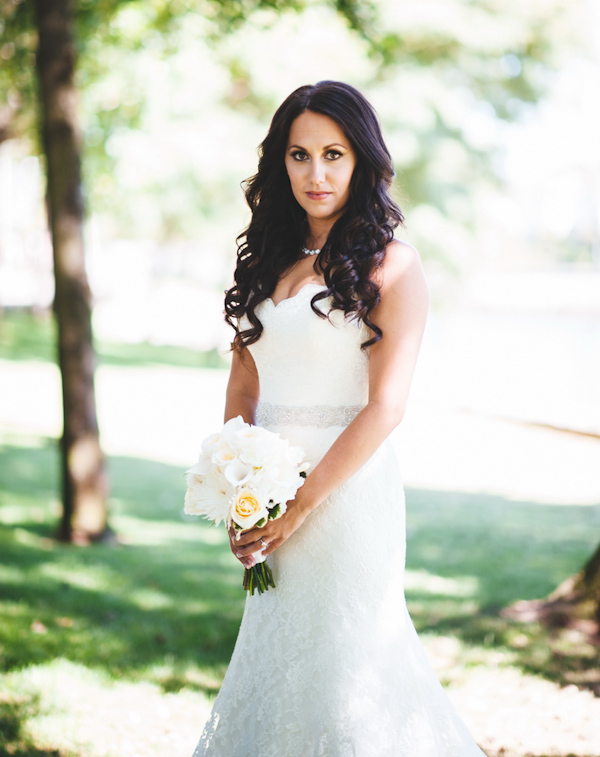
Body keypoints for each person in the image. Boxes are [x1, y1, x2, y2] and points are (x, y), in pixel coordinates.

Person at [192, 81, 487, 756]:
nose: (316, 173)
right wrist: (241, 492)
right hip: (266, 493)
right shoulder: (267, 263)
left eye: (333, 154)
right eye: (299, 155)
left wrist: (297, 507)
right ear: (280, 164)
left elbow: (386, 406)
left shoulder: (393, 265)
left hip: (347, 497)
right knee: (278, 666)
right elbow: (244, 380)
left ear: (362, 160)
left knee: (351, 671)